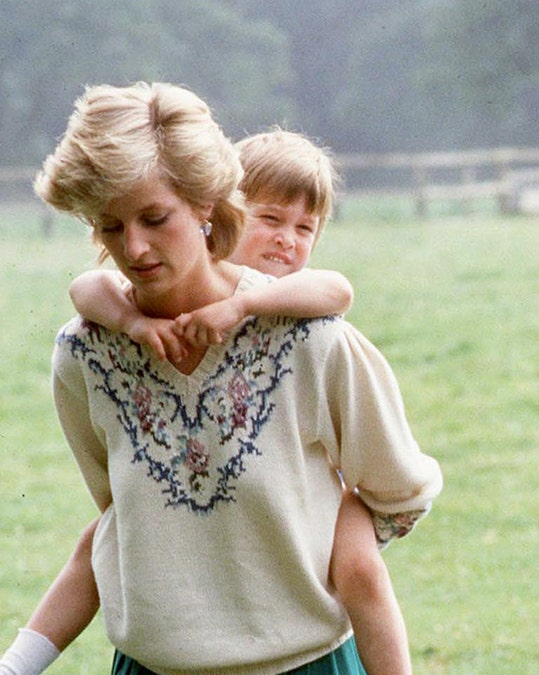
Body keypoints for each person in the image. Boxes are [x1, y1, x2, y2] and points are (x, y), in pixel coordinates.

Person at [9, 82, 442, 675]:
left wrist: (342, 528)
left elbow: (401, 491)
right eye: (109, 227)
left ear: (206, 203)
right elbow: (118, 513)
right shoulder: (85, 355)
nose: (133, 247)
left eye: (155, 218)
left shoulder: (311, 340)